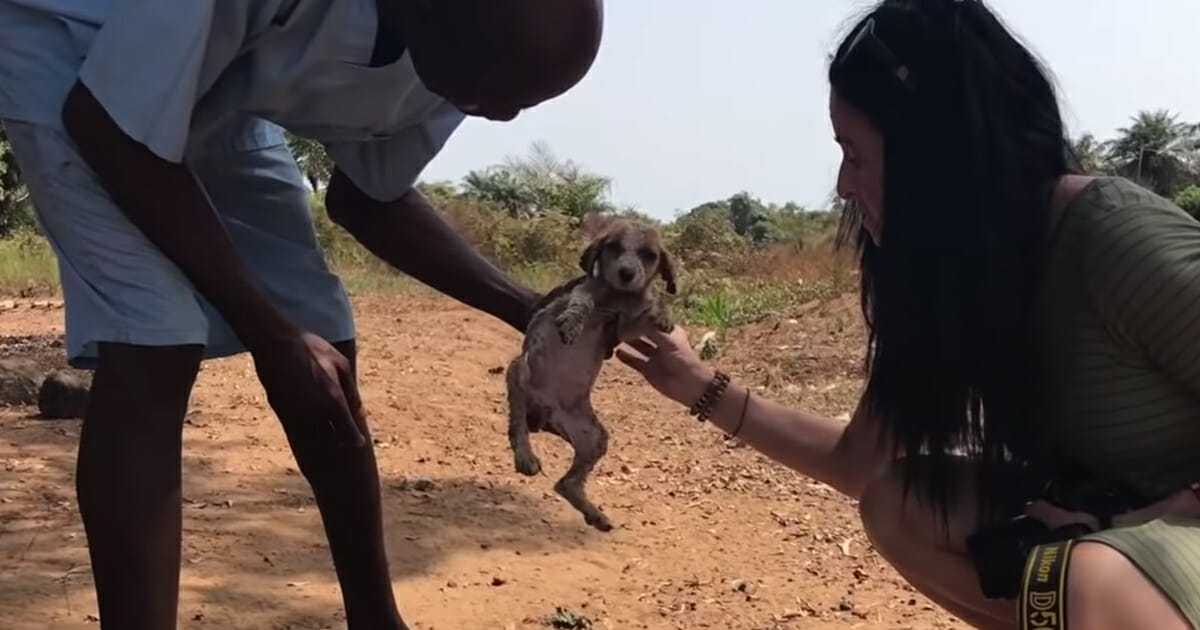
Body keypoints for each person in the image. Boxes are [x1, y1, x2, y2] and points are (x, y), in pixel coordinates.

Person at [0, 0, 603, 628]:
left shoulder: (463, 62)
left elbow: (369, 200)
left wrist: (531, 311)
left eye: (522, 101)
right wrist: (270, 334)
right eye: (497, 87)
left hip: (213, 77)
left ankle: (376, 620)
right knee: (156, 339)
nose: (502, 112)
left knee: (324, 334)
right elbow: (105, 125)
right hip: (69, 51)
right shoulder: (462, 54)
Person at [619, 1, 1200, 629]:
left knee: (1091, 580)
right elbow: (858, 464)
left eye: (856, 153)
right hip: (1112, 525)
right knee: (901, 508)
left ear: (937, 154)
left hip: (1153, 533)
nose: (842, 184)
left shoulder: (1112, 236)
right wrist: (698, 386)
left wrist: (1128, 526)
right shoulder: (953, 280)